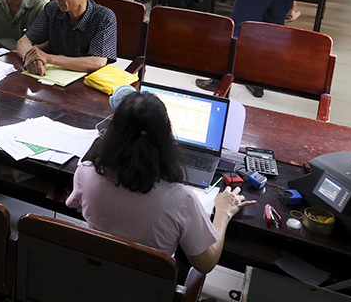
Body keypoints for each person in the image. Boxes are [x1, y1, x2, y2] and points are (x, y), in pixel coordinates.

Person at [66, 90, 254, 273]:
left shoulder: (85, 172)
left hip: (97, 278)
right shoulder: (182, 200)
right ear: (166, 138)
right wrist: (223, 213)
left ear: (113, 130)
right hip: (149, 294)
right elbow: (206, 264)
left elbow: (72, 203)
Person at [17, 0, 117, 76]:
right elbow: (23, 42)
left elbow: (98, 62)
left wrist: (49, 58)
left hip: (86, 81)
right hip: (52, 77)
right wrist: (33, 59)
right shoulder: (52, 9)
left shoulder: (104, 17)